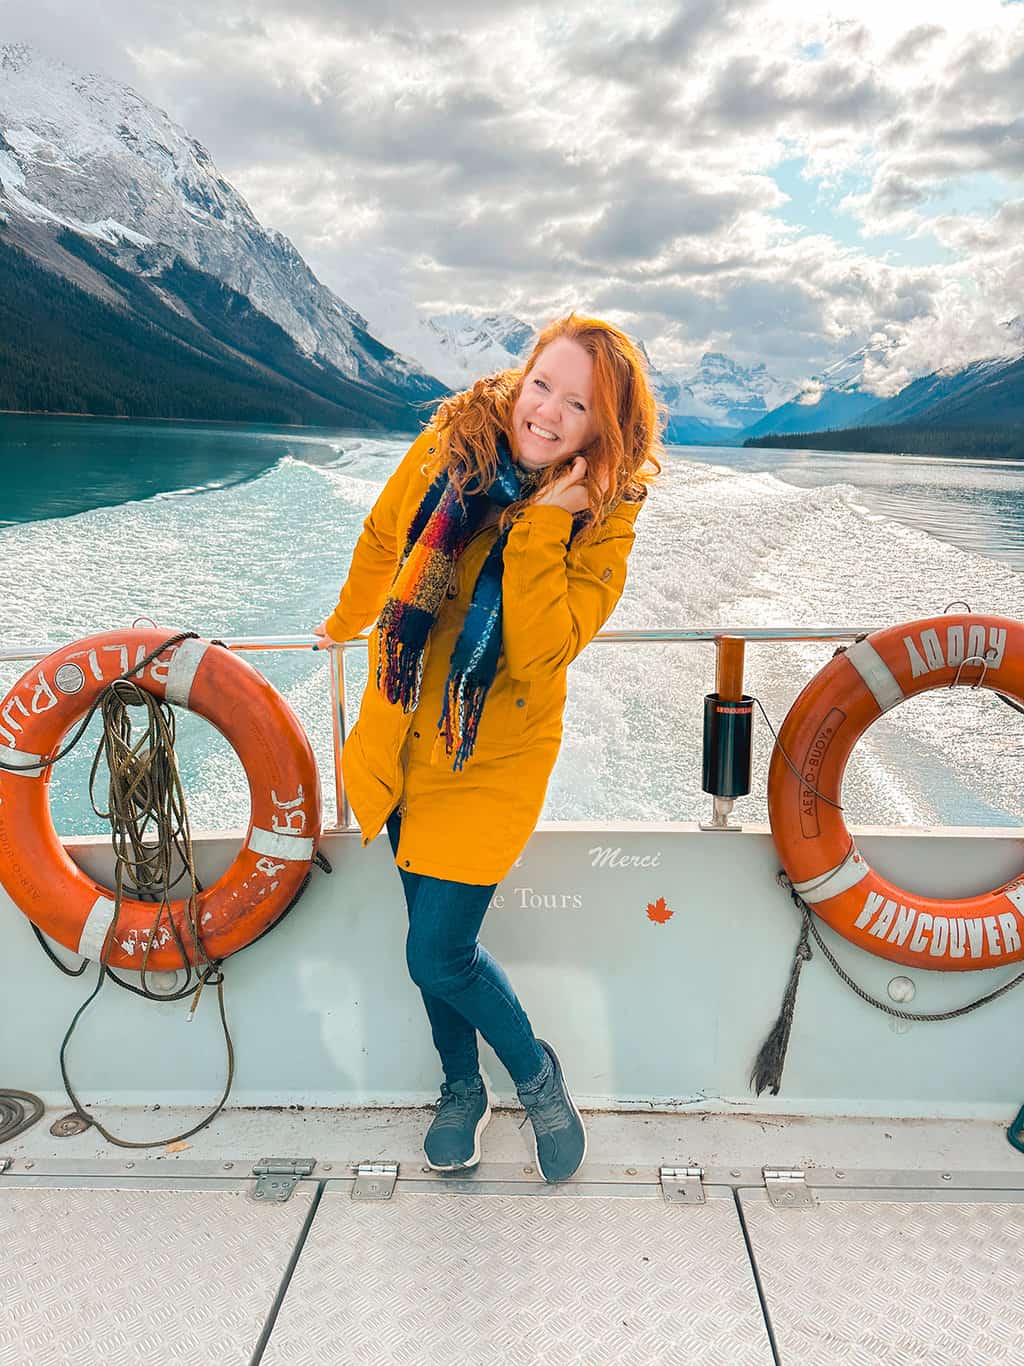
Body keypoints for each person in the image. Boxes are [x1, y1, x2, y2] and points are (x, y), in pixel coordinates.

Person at [315, 313, 662, 1182]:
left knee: (437, 952)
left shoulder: (604, 522)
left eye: (576, 405)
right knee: (426, 941)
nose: (545, 412)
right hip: (402, 736)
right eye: (542, 383)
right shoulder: (452, 442)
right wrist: (341, 626)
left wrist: (546, 523)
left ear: (602, 431)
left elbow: (543, 650)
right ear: (524, 372)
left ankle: (538, 1080)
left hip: (491, 759)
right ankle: (460, 1090)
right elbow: (382, 537)